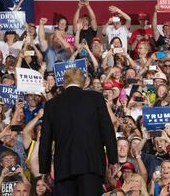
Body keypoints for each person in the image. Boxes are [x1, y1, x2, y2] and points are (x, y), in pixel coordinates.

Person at [39, 67, 118, 196]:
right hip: (91, 165)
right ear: (84, 82)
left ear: (64, 83)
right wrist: (113, 160)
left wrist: (45, 169)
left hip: (64, 168)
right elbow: (107, 130)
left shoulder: (52, 104)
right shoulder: (96, 98)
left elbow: (45, 139)